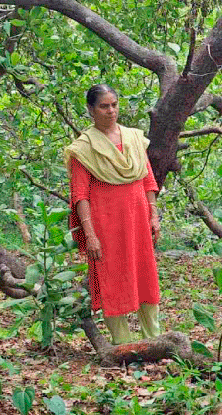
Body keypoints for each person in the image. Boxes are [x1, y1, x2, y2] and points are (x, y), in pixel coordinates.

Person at [65, 84, 162, 345]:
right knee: (112, 277)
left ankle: (154, 340)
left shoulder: (133, 138)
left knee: (145, 275)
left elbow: (147, 179)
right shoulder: (83, 149)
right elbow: (80, 195)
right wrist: (90, 234)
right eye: (104, 106)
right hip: (105, 224)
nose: (111, 111)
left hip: (138, 220)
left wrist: (154, 216)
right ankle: (124, 345)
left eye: (114, 105)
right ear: (91, 110)